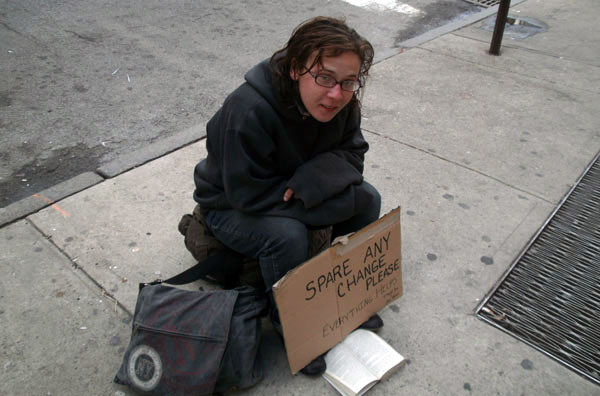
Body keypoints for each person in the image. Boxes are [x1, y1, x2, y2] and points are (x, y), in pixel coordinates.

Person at [192, 16, 382, 375]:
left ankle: (342, 292)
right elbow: (247, 195)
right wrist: (318, 202)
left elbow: (353, 155)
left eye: (348, 82)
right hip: (231, 204)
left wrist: (311, 183)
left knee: (368, 201)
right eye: (324, 77)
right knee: (286, 237)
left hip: (292, 190)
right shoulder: (248, 111)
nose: (336, 94)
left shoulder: (344, 103)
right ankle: (294, 323)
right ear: (296, 68)